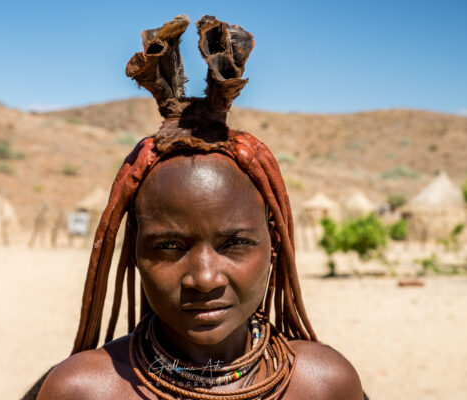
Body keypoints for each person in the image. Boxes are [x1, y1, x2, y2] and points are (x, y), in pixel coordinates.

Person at [34, 15, 364, 400]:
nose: (205, 279)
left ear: (274, 245)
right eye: (170, 247)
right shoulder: (84, 391)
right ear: (136, 251)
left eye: (235, 243)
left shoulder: (323, 385)